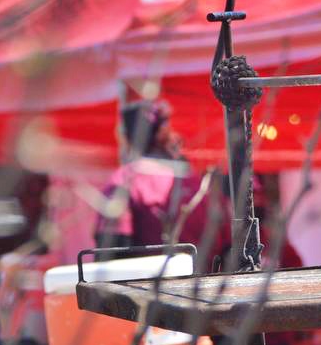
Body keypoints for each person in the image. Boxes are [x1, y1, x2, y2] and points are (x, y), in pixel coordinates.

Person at [94, 99, 231, 271]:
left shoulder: (124, 181)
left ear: (128, 138)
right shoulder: (196, 180)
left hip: (151, 292)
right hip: (208, 290)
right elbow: (229, 243)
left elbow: (110, 251)